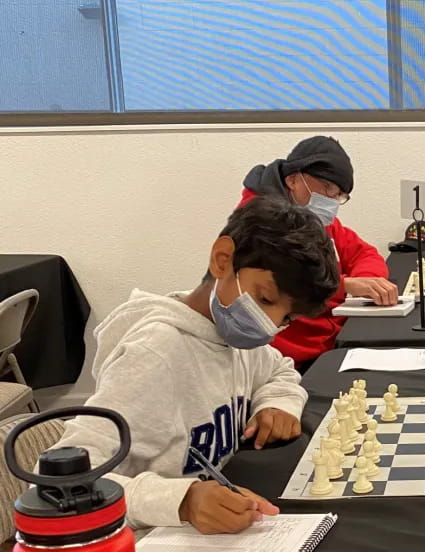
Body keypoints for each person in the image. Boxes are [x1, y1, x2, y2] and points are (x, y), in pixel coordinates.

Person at [48, 198, 341, 533]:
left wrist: (277, 403)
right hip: (148, 537)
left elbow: (281, 370)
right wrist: (181, 501)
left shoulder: (234, 338)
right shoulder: (154, 356)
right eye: (265, 299)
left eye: (286, 317)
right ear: (223, 260)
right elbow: (61, 489)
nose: (270, 324)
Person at [239, 136, 397, 364]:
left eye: (339, 195)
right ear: (293, 179)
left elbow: (364, 253)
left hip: (331, 338)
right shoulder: (256, 219)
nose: (331, 200)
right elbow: (280, 283)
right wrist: (345, 285)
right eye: (328, 188)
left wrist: (366, 281)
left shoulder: (314, 216)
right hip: (288, 354)